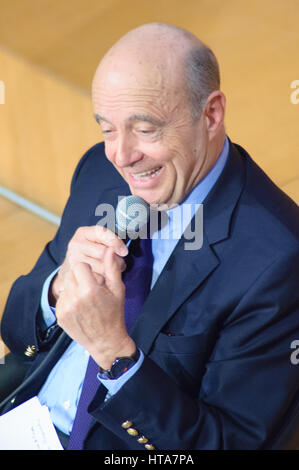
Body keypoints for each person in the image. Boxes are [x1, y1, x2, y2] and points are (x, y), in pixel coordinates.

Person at [1, 22, 299, 450]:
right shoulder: (99, 172)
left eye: (145, 129)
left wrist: (115, 355)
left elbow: (226, 442)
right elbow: (16, 332)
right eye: (107, 129)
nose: (122, 156)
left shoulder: (277, 260)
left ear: (211, 114)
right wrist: (55, 293)